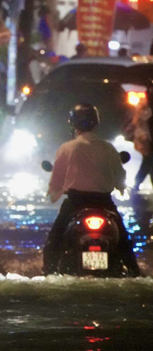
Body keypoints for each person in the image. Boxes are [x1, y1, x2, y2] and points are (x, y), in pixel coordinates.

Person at [43, 103, 140, 276]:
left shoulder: (67, 148)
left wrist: (54, 192)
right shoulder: (108, 148)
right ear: (96, 122)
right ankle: (134, 271)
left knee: (54, 240)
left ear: (73, 124)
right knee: (123, 240)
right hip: (104, 204)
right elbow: (120, 177)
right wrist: (120, 188)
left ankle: (48, 272)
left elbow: (56, 180)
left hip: (75, 203)